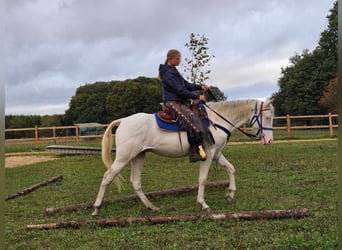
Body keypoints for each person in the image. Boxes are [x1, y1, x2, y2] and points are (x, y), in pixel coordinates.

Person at [158, 49, 215, 162]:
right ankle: (194, 152)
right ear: (170, 59)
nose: (179, 61)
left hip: (179, 101)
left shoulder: (173, 71)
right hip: (172, 101)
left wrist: (200, 87)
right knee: (192, 120)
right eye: (177, 58)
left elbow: (186, 85)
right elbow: (180, 90)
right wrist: (198, 97)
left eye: (179, 58)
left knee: (195, 115)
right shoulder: (168, 74)